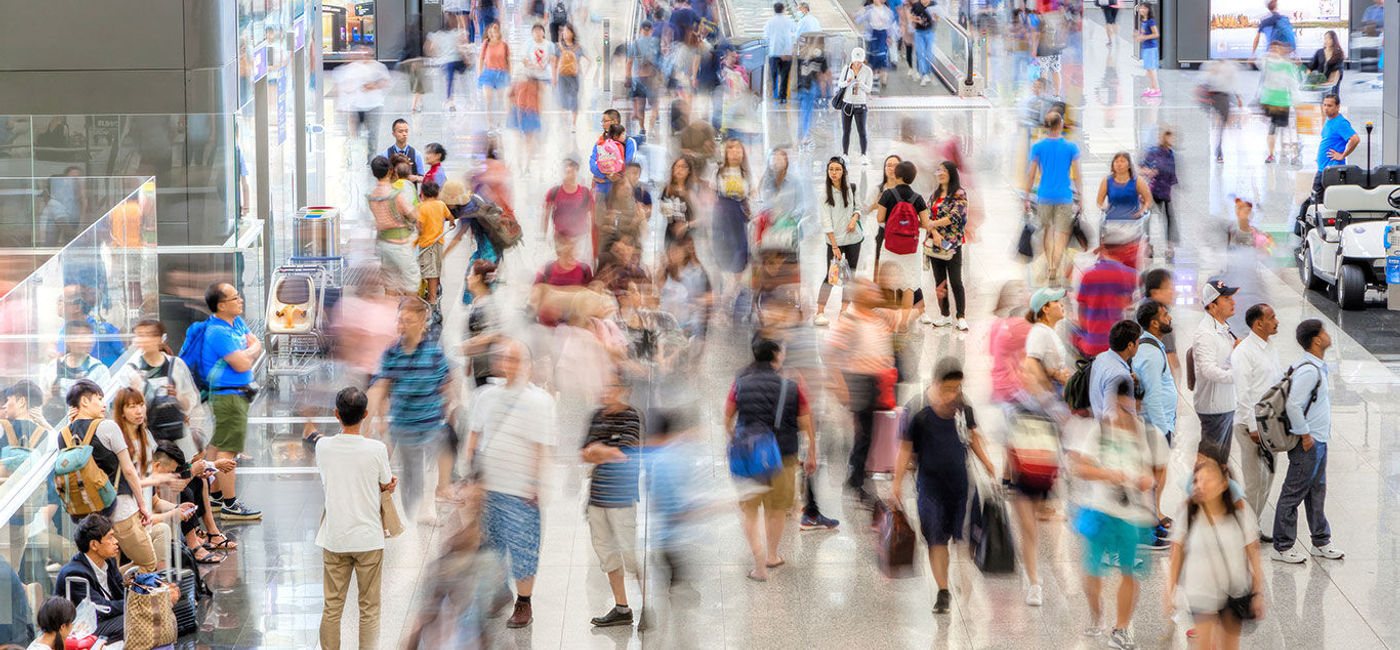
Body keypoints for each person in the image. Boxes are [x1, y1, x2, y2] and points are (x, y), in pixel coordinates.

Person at [891, 359, 996, 615]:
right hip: (930, 489)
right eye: (948, 389)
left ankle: (963, 579)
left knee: (963, 541)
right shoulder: (917, 410)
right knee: (936, 540)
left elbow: (972, 437)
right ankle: (943, 590)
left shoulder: (963, 407)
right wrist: (896, 482)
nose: (953, 395)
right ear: (935, 383)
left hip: (961, 488)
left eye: (958, 389)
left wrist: (987, 463)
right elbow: (905, 449)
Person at [466, 339, 556, 628]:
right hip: (490, 486)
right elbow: (475, 436)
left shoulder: (540, 401)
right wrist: (470, 477)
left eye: (516, 359)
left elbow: (543, 447)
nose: (509, 364)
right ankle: (499, 591)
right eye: (505, 358)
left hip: (521, 490)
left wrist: (538, 484)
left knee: (524, 549)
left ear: (528, 365)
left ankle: (523, 603)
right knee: (489, 546)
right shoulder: (484, 396)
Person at [1068, 377, 1156, 648]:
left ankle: (1121, 628)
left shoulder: (1142, 432)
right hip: (1099, 510)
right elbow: (1079, 467)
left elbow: (1151, 471)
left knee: (1129, 570)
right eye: (1124, 406)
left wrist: (1145, 480)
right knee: (1092, 569)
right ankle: (1097, 613)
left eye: (1134, 408)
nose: (1129, 413)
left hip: (1131, 514)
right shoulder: (1100, 430)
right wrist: (1109, 474)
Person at [724, 338, 819, 582]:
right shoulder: (791, 386)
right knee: (776, 509)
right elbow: (806, 421)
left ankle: (758, 563)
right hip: (783, 455)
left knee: (749, 510)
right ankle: (772, 555)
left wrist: (736, 437)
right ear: (776, 356)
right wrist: (811, 452)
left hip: (749, 455)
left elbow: (728, 416)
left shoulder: (740, 383)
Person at [316, 387, 395, 650]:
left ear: (336, 414)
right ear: (365, 415)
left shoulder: (323, 446)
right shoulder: (376, 449)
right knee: (369, 608)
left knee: (332, 607)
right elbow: (385, 482)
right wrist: (388, 485)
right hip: (369, 539)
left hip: (335, 537)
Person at [367, 299, 454, 526]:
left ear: (422, 321)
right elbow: (380, 388)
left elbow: (447, 385)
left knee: (433, 463)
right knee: (411, 477)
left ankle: (429, 506)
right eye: (400, 320)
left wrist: (452, 408)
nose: (402, 325)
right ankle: (413, 511)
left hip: (431, 424)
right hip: (404, 427)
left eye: (409, 320)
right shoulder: (392, 354)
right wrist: (373, 423)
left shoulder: (434, 354)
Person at [1164, 456, 1267, 649]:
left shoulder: (1240, 514)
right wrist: (1170, 590)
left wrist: (1258, 592)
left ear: (1223, 484)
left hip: (1234, 591)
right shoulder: (1188, 514)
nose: (1201, 485)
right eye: (1197, 480)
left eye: (1208, 480)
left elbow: (1254, 554)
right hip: (1200, 593)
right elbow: (1177, 553)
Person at [63, 381, 156, 572]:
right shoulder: (108, 427)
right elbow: (129, 470)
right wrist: (143, 505)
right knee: (147, 562)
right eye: (99, 399)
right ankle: (130, 599)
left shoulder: (63, 434)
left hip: (88, 516)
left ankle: (112, 593)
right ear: (84, 401)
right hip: (120, 508)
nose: (104, 404)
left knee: (104, 569)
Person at [1271, 319, 1343, 563]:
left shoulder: (1314, 366)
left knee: (1316, 493)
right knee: (1293, 493)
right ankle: (1282, 546)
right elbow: (1292, 404)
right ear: (1316, 340)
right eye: (1323, 331)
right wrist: (1304, 435)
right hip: (1309, 443)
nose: (1327, 334)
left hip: (1318, 440)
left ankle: (1320, 541)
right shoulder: (1309, 370)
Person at [580, 376, 644, 627]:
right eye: (604, 386)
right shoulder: (597, 416)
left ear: (625, 390)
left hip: (622, 498)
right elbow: (583, 454)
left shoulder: (632, 417)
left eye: (611, 386)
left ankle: (647, 604)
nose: (606, 391)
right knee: (606, 554)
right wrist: (600, 452)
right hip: (597, 499)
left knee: (631, 554)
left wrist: (598, 450)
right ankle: (622, 607)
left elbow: (624, 454)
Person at [198, 282, 261, 520]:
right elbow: (243, 363)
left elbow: (256, 341)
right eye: (235, 298)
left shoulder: (235, 322)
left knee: (217, 445)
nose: (241, 300)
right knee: (228, 449)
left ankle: (214, 494)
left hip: (236, 393)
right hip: (228, 397)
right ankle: (230, 504)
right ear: (221, 305)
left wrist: (249, 349)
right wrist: (248, 351)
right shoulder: (218, 332)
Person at [54, 515, 154, 641]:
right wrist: (139, 603)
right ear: (94, 545)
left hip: (105, 620)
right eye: (110, 537)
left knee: (151, 612)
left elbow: (121, 591)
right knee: (135, 619)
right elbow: (101, 609)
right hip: (81, 629)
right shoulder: (74, 574)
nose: (116, 541)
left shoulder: (109, 561)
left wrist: (146, 595)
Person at [1230, 303, 1281, 538]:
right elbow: (1243, 392)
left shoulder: (1269, 347)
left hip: (1271, 424)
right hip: (1250, 425)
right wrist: (1253, 427)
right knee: (1254, 480)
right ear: (1258, 324)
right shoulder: (1244, 352)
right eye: (1271, 318)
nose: (1276, 321)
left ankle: (1254, 524)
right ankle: (1245, 529)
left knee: (1268, 476)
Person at [1022, 111, 1081, 285]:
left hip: (1044, 195)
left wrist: (1026, 197)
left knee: (1047, 231)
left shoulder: (1037, 147)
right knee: (1062, 233)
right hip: (1064, 195)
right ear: (1060, 124)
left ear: (1046, 126)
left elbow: (1031, 174)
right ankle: (1055, 264)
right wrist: (1081, 196)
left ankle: (1051, 266)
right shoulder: (1071, 147)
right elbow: (1077, 175)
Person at [1132, 301, 1176, 520]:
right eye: (1165, 315)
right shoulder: (1150, 353)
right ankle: (1151, 518)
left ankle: (1156, 512)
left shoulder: (1153, 345)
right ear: (1154, 323)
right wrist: (1162, 430)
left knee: (1159, 470)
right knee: (1156, 472)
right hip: (1156, 425)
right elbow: (1152, 395)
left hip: (1161, 422)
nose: (1169, 317)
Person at [875, 161, 931, 331]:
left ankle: (889, 320)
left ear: (897, 175)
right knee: (909, 285)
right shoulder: (918, 198)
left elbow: (879, 218)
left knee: (889, 283)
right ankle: (904, 323)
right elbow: (926, 223)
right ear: (912, 178)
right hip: (911, 249)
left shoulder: (887, 195)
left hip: (891, 245)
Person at [1191, 280, 1239, 466]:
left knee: (1221, 462)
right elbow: (1208, 370)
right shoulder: (1206, 334)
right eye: (1227, 298)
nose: (1233, 302)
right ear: (1212, 305)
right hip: (1214, 408)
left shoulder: (1223, 328)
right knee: (1209, 464)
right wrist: (1237, 375)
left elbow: (1223, 361)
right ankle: (1200, 493)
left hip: (1226, 404)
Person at [815, 157, 863, 326]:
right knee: (831, 277)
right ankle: (819, 312)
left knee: (850, 276)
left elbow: (858, 207)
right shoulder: (824, 195)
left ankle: (844, 310)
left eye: (837, 169)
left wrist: (854, 218)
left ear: (844, 171)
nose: (834, 173)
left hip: (854, 239)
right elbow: (826, 223)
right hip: (835, 242)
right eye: (831, 170)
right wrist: (834, 246)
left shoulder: (852, 188)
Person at [367, 155, 421, 296]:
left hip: (384, 244)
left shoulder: (372, 196)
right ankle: (409, 314)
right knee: (412, 281)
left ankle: (390, 315)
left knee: (390, 281)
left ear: (374, 174)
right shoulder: (394, 195)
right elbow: (412, 215)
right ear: (390, 171)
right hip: (400, 243)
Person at [41, 320, 111, 423]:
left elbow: (104, 406)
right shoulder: (53, 367)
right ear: (68, 341)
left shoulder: (98, 370)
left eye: (90, 336)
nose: (88, 341)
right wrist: (51, 396)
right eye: (82, 337)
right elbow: (41, 401)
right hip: (56, 426)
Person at [1072, 249, 1137, 359]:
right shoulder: (1129, 274)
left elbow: (1081, 310)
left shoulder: (1088, 275)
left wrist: (1084, 335)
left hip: (1094, 345)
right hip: (1118, 345)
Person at [926, 160, 969, 330]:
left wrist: (933, 225)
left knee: (956, 281)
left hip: (952, 245)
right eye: (938, 170)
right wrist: (935, 233)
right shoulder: (934, 195)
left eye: (944, 170)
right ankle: (944, 314)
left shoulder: (959, 193)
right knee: (940, 282)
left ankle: (961, 315)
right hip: (934, 244)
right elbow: (927, 214)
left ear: (951, 173)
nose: (940, 173)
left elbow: (956, 216)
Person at [1311, 94, 1360, 203]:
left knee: (1317, 203)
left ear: (1337, 107)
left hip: (1331, 171)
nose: (1326, 108)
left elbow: (1355, 139)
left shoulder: (1340, 123)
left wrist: (1342, 155)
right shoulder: (1329, 120)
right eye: (1324, 105)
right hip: (1323, 168)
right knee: (1317, 201)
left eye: (1329, 106)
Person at [1259, 39, 1300, 164]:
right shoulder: (1267, 61)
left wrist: (1295, 100)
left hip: (1282, 101)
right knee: (1272, 128)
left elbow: (1293, 83)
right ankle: (1271, 154)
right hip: (1269, 101)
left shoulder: (1286, 65)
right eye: (1272, 49)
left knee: (1286, 129)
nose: (1274, 51)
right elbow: (1258, 63)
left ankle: (1293, 155)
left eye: (1276, 48)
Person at [544, 158, 595, 254]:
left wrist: (592, 244)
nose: (568, 174)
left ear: (576, 172)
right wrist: (544, 236)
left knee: (575, 265)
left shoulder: (585, 193)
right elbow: (546, 216)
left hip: (580, 238)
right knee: (563, 265)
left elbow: (593, 218)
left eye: (571, 171)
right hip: (560, 238)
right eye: (565, 171)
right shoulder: (554, 192)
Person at [1141, 129, 1178, 258]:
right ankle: (1147, 244)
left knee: (1168, 218)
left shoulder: (1171, 153)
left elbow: (1172, 173)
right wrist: (1149, 171)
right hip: (1152, 190)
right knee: (1148, 218)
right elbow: (1142, 167)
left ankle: (1169, 245)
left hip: (1165, 191)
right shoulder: (1153, 152)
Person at [416, 181, 450, 305]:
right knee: (435, 272)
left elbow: (419, 226)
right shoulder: (441, 204)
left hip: (426, 244)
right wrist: (452, 223)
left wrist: (418, 234)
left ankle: (431, 298)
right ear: (437, 194)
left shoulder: (421, 207)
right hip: (439, 242)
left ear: (423, 194)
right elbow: (450, 217)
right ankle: (433, 297)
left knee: (428, 272)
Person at [837, 48, 874, 160]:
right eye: (855, 61)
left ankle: (863, 154)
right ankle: (845, 154)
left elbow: (868, 89)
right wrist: (847, 82)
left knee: (862, 130)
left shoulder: (867, 71)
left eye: (860, 61)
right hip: (847, 104)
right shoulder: (846, 69)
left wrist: (860, 84)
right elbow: (840, 84)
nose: (857, 64)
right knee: (846, 131)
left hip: (860, 105)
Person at [627, 21, 662, 136]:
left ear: (641, 30)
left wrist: (628, 77)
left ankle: (642, 129)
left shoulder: (635, 43)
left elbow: (629, 62)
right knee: (655, 105)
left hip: (639, 79)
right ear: (651, 30)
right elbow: (661, 61)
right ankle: (651, 129)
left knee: (641, 106)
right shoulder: (656, 43)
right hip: (652, 79)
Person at [793, 35, 829, 143]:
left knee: (804, 114)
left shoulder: (812, 56)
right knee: (804, 114)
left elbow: (821, 75)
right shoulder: (813, 57)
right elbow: (822, 75)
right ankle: (803, 136)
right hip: (805, 88)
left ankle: (802, 136)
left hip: (805, 88)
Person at [554, 24, 587, 131]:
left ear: (573, 33)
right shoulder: (558, 46)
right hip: (562, 76)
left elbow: (589, 60)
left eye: (567, 31)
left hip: (574, 76)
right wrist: (553, 77)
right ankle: (565, 121)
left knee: (574, 100)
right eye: (564, 32)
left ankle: (573, 123)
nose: (565, 34)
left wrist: (583, 73)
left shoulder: (578, 47)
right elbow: (555, 63)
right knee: (562, 99)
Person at [477, 22, 512, 123]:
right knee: (488, 101)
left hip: (501, 73)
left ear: (499, 33)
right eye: (492, 31)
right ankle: (490, 124)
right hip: (488, 73)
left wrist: (509, 74)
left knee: (501, 101)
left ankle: (500, 123)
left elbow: (508, 60)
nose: (494, 33)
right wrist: (480, 73)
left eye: (496, 31)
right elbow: (481, 59)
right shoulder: (486, 44)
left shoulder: (504, 45)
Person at [764, 3, 796, 103]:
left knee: (774, 75)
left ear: (774, 10)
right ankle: (783, 97)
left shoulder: (769, 22)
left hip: (774, 52)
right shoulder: (789, 21)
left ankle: (775, 95)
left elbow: (766, 37)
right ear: (783, 10)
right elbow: (795, 32)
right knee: (784, 75)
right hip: (786, 53)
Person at [1308, 30, 1345, 97]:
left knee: (1331, 101)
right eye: (1325, 38)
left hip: (1332, 85)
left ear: (1334, 40)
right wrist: (1310, 79)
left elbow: (1338, 72)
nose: (1326, 40)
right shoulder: (1319, 52)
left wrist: (1330, 83)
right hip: (1319, 85)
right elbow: (1311, 67)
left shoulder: (1338, 54)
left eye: (1329, 38)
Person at [1135, 4, 1160, 96]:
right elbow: (1143, 33)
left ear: (1149, 10)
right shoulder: (1143, 21)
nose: (1141, 9)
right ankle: (1153, 88)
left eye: (1144, 8)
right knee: (1148, 70)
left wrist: (1144, 37)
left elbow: (1156, 34)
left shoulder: (1150, 21)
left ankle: (1156, 89)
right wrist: (1139, 36)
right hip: (1146, 47)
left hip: (1151, 48)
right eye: (1141, 7)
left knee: (1151, 69)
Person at [910, 0, 937, 87]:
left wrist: (936, 18)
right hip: (919, 32)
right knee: (921, 53)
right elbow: (911, 16)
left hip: (930, 32)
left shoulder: (933, 4)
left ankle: (927, 72)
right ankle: (924, 74)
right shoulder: (916, 5)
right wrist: (917, 20)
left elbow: (938, 17)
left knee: (929, 54)